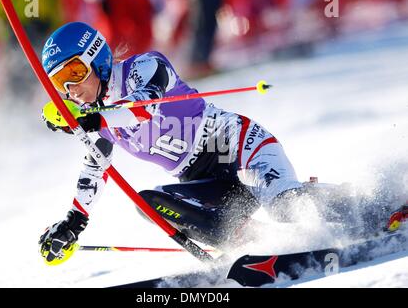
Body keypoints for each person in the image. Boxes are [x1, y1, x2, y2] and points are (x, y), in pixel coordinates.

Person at [38, 22, 401, 264]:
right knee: (149, 205)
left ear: (97, 59)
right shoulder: (98, 125)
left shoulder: (142, 69)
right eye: (61, 83)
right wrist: (73, 222)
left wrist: (91, 121)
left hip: (232, 145)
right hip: (202, 179)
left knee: (284, 205)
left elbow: (144, 107)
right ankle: (261, 250)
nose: (72, 89)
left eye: (75, 73)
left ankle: (381, 204)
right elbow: (93, 170)